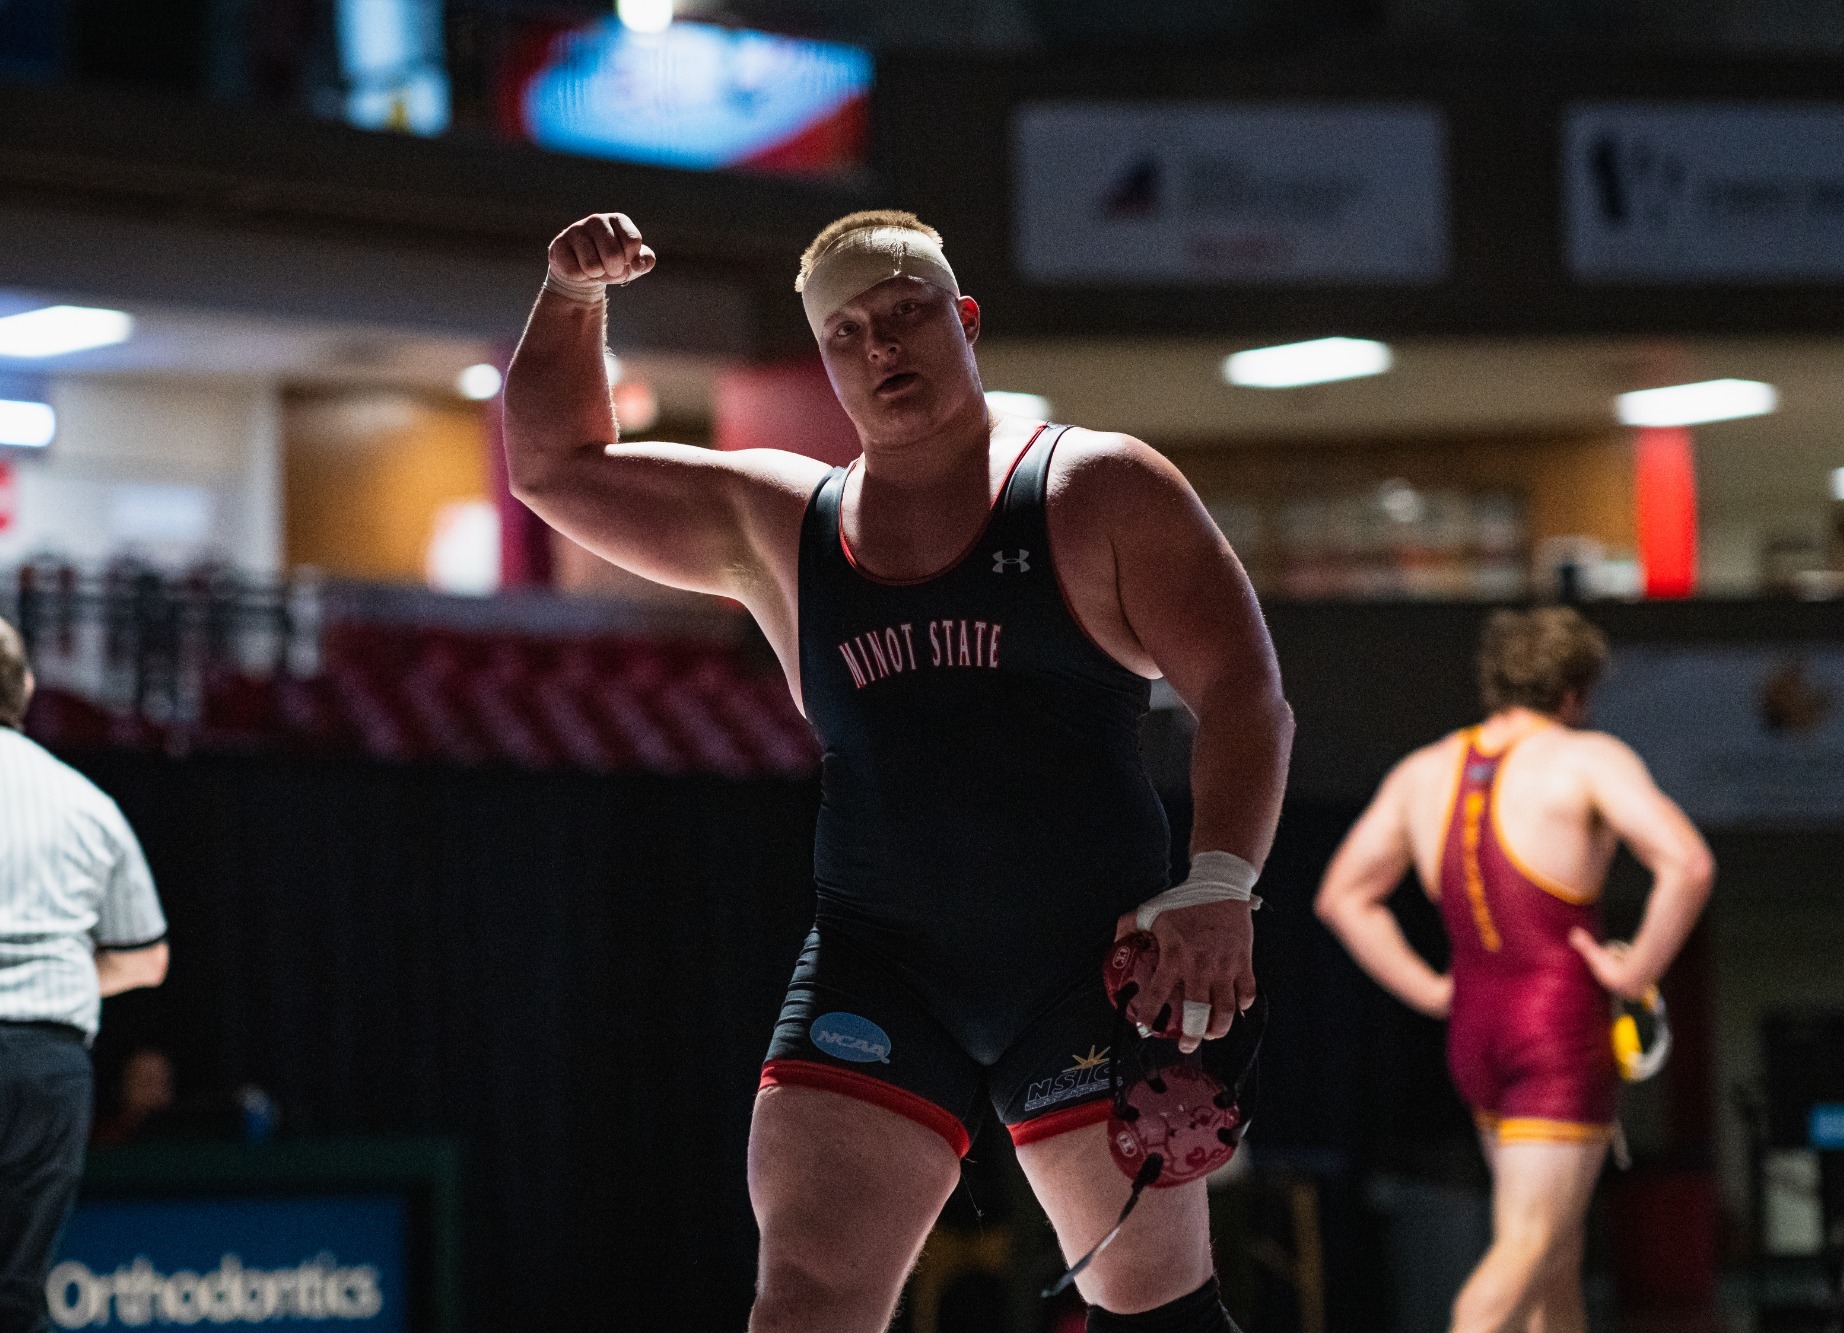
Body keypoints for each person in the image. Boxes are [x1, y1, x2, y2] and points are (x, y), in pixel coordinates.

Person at [503, 211, 1294, 1332]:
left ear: (964, 321)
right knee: (806, 1304)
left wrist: (1221, 881)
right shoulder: (780, 525)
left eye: (907, 312)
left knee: (1152, 1313)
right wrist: (570, 301)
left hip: (1087, 968)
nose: (881, 345)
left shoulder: (1094, 490)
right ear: (825, 361)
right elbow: (552, 468)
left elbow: (1243, 689)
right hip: (879, 971)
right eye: (848, 332)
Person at [1314, 607, 1714, 1333]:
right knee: (1522, 1253)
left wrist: (1430, 989)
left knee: (1554, 1256)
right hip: (1556, 1028)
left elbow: (1343, 896)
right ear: (1576, 692)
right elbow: (1686, 863)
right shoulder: (1587, 757)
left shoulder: (1423, 771)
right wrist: (1638, 969)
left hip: (1477, 1029)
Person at [0, 606, 169, 1333]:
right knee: (11, 1305)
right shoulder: (87, 801)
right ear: (23, 688)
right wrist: (48, 979)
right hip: (53, 1075)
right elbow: (146, 958)